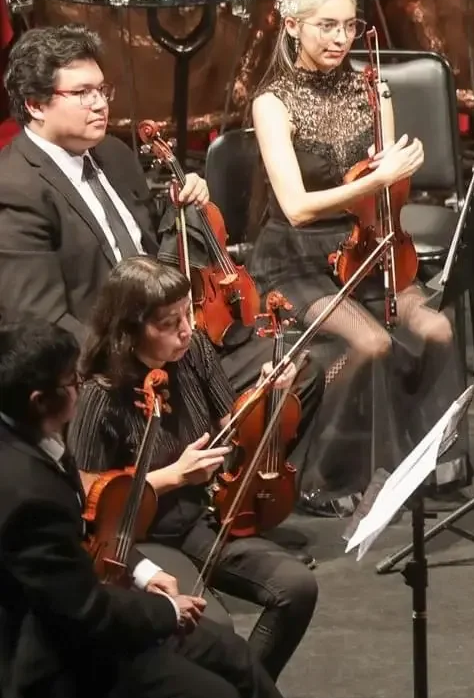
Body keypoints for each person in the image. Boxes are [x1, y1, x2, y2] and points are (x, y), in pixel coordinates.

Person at [0, 318, 415, 698]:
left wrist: (142, 571)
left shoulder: (36, 440)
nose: (78, 391)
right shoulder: (25, 488)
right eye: (70, 384)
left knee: (232, 653)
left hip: (94, 621)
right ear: (41, 399)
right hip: (63, 665)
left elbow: (88, 540)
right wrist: (163, 610)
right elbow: (80, 610)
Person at [0, 26, 327, 424]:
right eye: (83, 93)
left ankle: (245, 482)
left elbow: (152, 246)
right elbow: (43, 321)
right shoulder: (15, 187)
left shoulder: (113, 153)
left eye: (103, 90)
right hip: (111, 364)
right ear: (35, 105)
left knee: (299, 372)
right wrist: (142, 355)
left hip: (175, 336)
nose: (100, 104)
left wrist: (183, 204)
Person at [245, 0, 465, 513]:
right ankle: (326, 477)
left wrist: (392, 184)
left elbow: (386, 188)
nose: (340, 39)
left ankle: (428, 463)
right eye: (325, 26)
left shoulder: (373, 88)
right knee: (370, 344)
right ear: (293, 26)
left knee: (436, 327)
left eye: (348, 26)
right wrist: (373, 181)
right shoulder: (273, 103)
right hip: (296, 259)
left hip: (365, 244)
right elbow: (295, 208)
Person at [68, 257, 319, 680]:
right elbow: (93, 507)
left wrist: (267, 393)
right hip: (138, 540)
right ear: (129, 330)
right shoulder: (99, 395)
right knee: (216, 630)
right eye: (169, 323)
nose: (186, 329)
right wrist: (173, 477)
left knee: (297, 587)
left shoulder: (194, 350)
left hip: (197, 522)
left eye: (188, 313)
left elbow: (232, 428)